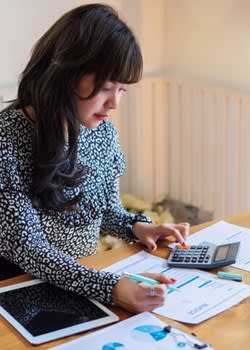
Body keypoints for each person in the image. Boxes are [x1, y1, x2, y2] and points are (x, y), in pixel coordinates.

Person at [0, 3, 188, 313]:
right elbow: (30, 250)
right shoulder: (6, 142)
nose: (114, 102)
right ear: (64, 75)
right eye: (106, 87)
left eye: (123, 89)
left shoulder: (101, 133)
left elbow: (103, 209)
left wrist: (136, 227)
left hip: (80, 285)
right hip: (20, 296)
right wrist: (111, 288)